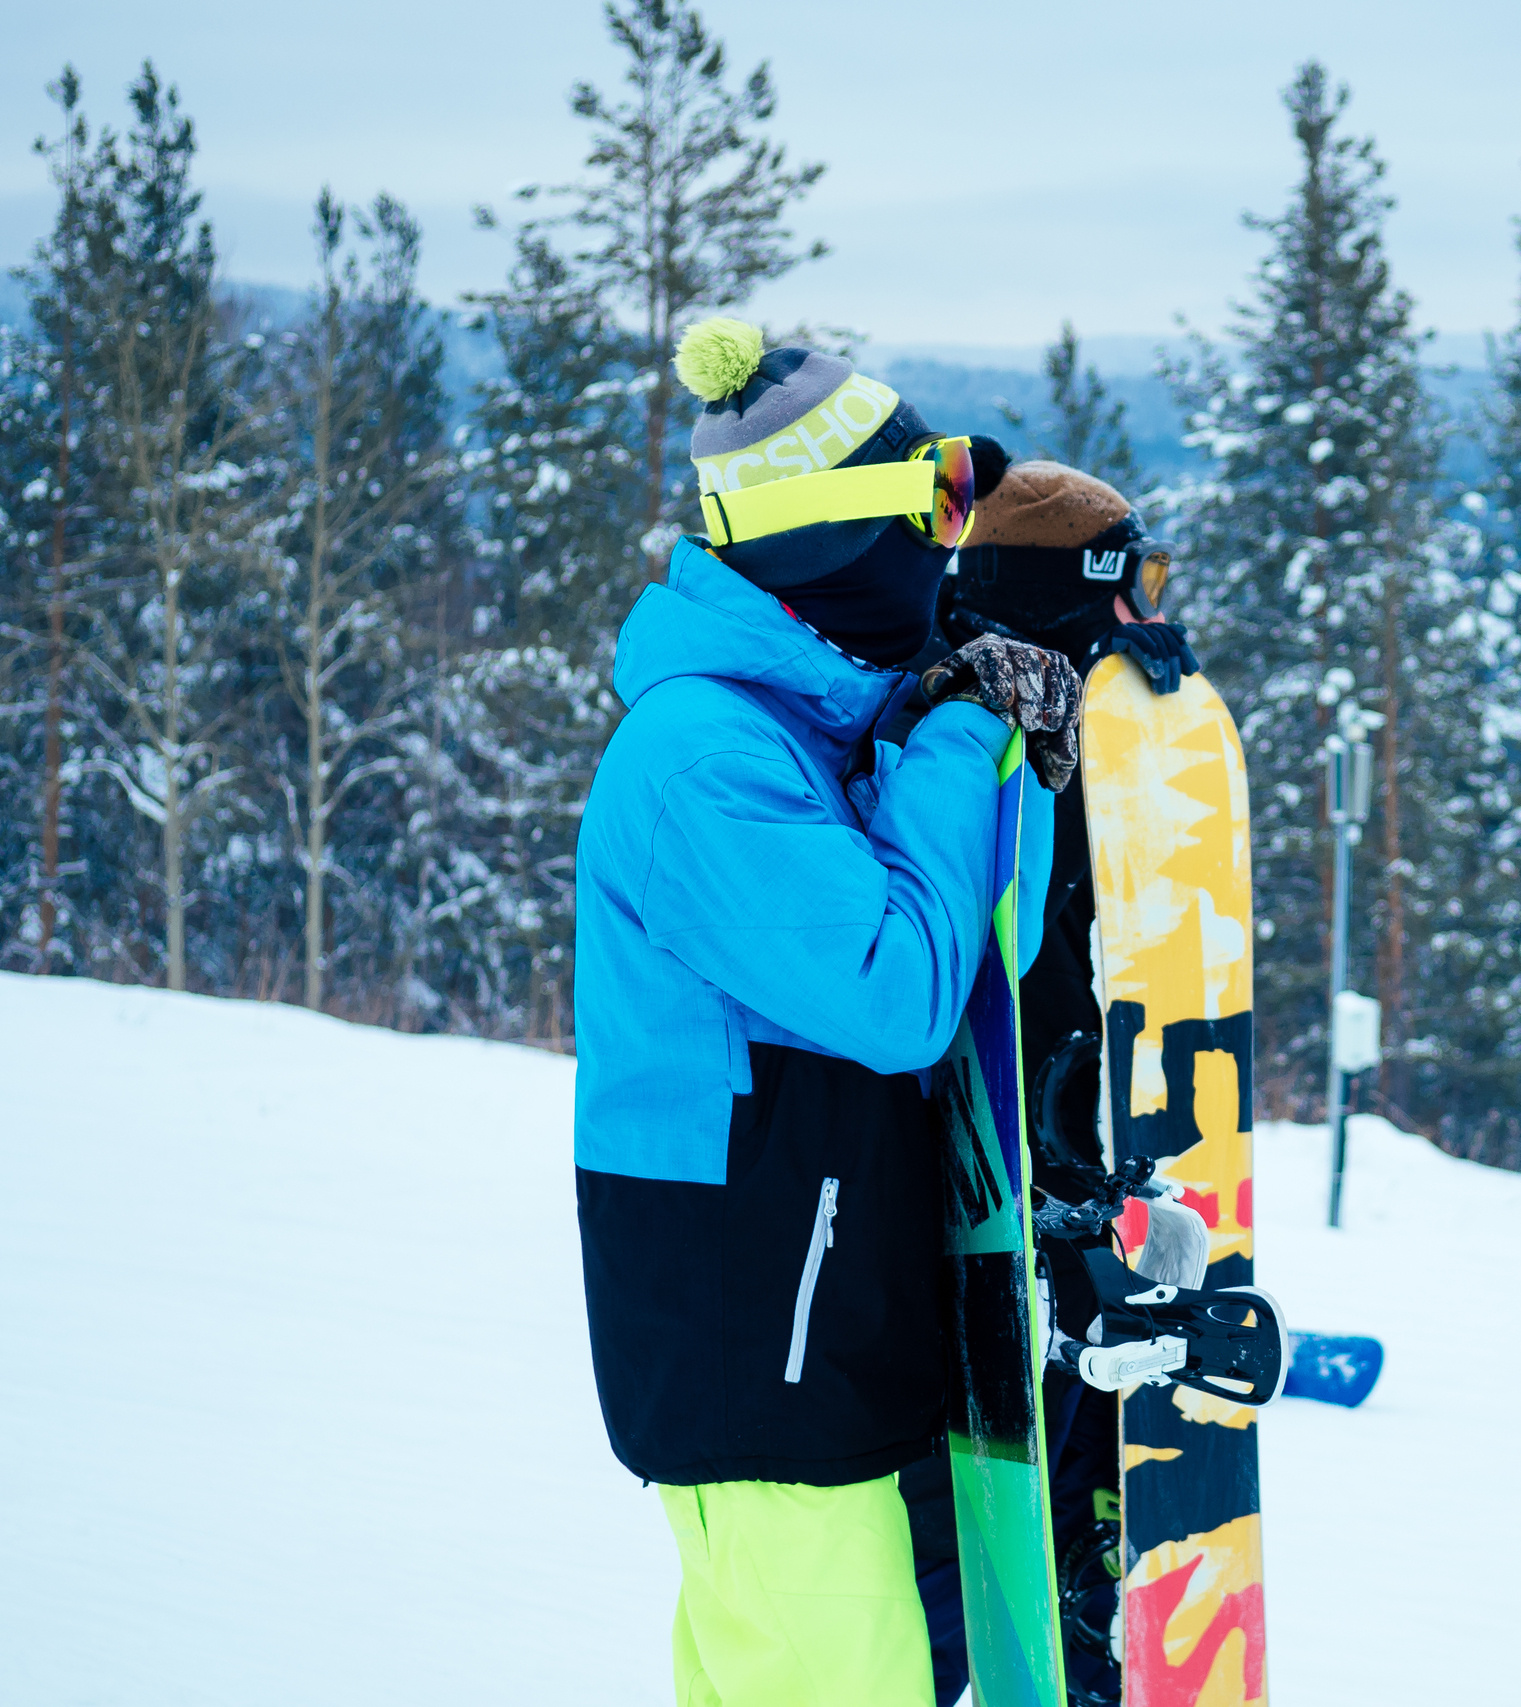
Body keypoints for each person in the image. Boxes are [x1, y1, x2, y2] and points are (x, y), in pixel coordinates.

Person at [572, 316, 1080, 1707]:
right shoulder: (700, 758)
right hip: (763, 1358)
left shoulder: (833, 731)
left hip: (853, 1331)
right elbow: (899, 988)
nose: (954, 543)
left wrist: (1015, 744)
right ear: (834, 532)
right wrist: (966, 727)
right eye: (938, 504)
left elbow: (990, 954)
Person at [886, 460, 1203, 1707]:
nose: (1155, 618)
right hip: (981, 1202)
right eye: (1140, 587)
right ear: (1075, 598)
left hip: (1062, 1177)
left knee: (1069, 1501)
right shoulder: (976, 737)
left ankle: (1085, 1642)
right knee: (978, 1542)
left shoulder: (1065, 723)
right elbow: (1000, 980)